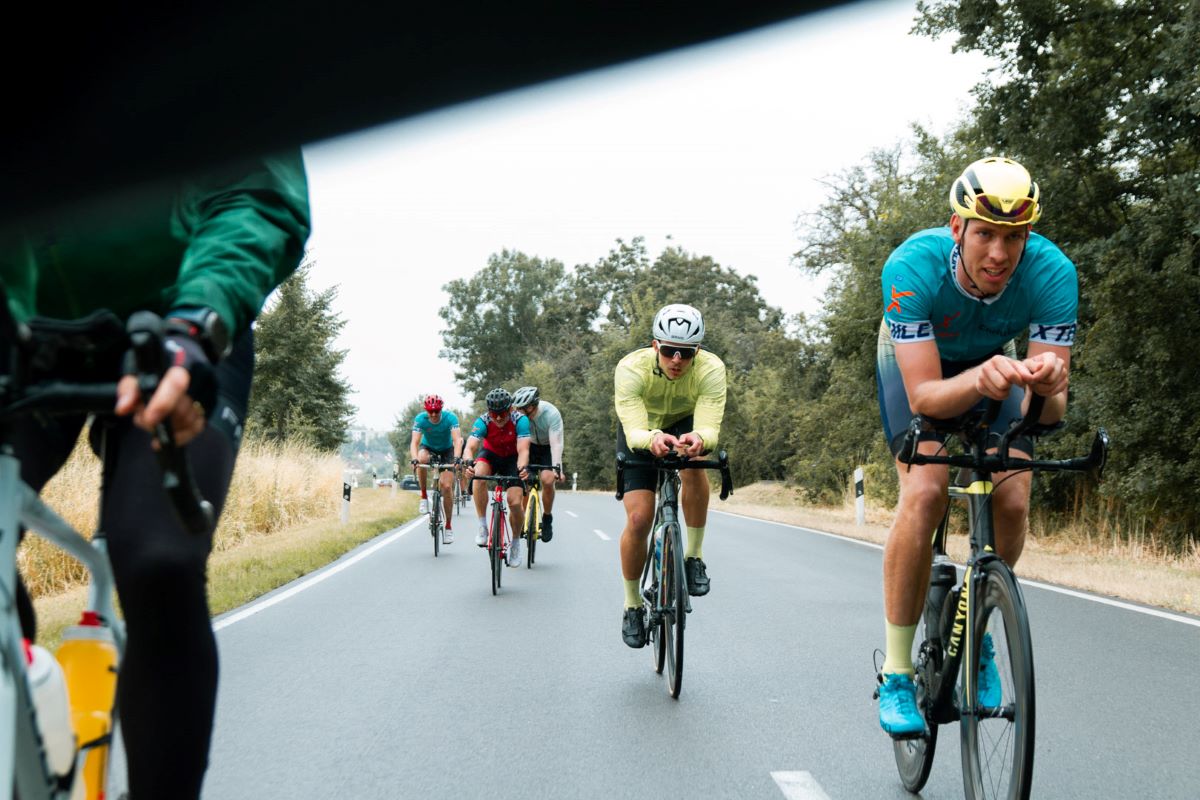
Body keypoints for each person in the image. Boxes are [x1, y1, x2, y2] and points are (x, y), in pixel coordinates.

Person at [0, 151, 311, 798]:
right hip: (22, 332)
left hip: (179, 325)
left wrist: (200, 320)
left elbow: (252, 192)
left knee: (159, 562)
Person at [873, 157, 1076, 737]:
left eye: (1013, 237)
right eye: (985, 234)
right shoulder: (912, 266)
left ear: (1028, 237)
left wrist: (1047, 386)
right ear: (958, 229)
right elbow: (928, 395)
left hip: (998, 368)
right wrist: (982, 377)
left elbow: (1050, 415)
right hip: (920, 370)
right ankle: (895, 671)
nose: (998, 253)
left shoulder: (1053, 274)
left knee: (1012, 495)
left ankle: (978, 619)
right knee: (927, 489)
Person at [613, 303, 727, 648]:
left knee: (695, 468)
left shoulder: (711, 369)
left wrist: (701, 439)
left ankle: (693, 557)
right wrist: (652, 438)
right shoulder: (631, 369)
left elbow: (709, 424)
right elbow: (633, 430)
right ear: (654, 346)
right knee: (638, 518)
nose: (677, 360)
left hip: (685, 422)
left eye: (687, 353)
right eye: (669, 350)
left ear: (698, 351)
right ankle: (632, 604)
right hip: (642, 428)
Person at [461, 388, 531, 566]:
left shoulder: (520, 421)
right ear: (488, 412)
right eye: (494, 414)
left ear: (511, 409)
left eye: (503, 413)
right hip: (491, 454)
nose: (498, 418)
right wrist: (468, 463)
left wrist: (522, 467)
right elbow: (470, 447)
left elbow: (523, 449)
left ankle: (515, 543)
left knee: (515, 502)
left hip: (512, 458)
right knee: (478, 474)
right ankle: (483, 526)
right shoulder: (483, 421)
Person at [511, 385, 565, 542]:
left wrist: (557, 467)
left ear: (533, 406)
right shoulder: (518, 416)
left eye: (523, 409)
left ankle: (547, 518)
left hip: (548, 446)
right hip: (529, 446)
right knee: (524, 479)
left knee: (547, 480)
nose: (520, 413)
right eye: (518, 409)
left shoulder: (551, 414)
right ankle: (523, 515)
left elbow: (556, 444)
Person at [409, 393, 463, 542]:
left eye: (436, 411)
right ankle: (424, 496)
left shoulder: (450, 418)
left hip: (447, 450)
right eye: (430, 412)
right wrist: (414, 459)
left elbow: (457, 440)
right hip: (429, 448)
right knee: (421, 459)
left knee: (446, 487)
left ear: (441, 410)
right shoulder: (420, 419)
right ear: (426, 410)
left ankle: (448, 526)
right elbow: (414, 442)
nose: (433, 415)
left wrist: (457, 458)